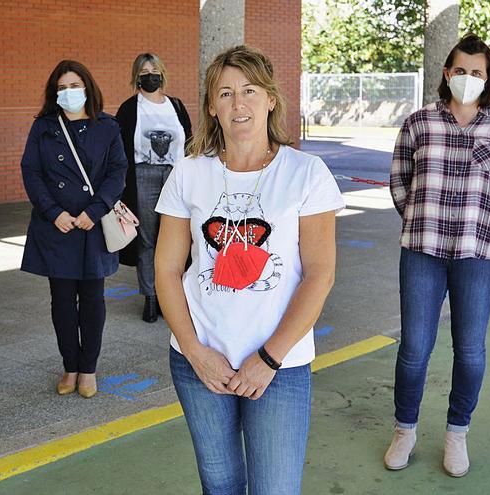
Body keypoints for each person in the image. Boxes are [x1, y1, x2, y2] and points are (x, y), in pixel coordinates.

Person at [154, 45, 344, 495]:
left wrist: (269, 358)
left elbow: (320, 274)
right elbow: (165, 271)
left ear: (271, 99)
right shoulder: (188, 173)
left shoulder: (306, 172)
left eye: (250, 90)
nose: (239, 104)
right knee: (219, 485)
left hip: (279, 365)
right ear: (212, 107)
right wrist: (195, 352)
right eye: (225, 93)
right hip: (200, 362)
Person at [385, 33, 490, 477]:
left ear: (489, 80)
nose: (468, 78)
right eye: (461, 70)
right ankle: (404, 430)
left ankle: (456, 433)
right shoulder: (418, 123)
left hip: (481, 257)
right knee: (414, 348)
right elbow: (399, 181)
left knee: (469, 351)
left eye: (477, 73)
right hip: (423, 252)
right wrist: (421, 218)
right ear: (447, 74)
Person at [20, 60, 128, 398]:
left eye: (74, 86)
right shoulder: (44, 127)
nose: (69, 93)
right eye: (62, 88)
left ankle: (89, 368)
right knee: (62, 302)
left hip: (92, 226)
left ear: (88, 87)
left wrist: (95, 211)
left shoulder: (107, 127)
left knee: (93, 300)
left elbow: (117, 171)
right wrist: (54, 212)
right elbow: (31, 172)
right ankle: (70, 365)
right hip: (58, 228)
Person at [115, 53, 192, 323]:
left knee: (175, 237)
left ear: (162, 73)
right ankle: (151, 296)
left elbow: (190, 143)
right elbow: (118, 148)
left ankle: (172, 294)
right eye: (144, 71)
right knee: (148, 238)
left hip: (175, 176)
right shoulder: (128, 109)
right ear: (137, 76)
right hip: (142, 176)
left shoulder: (177, 106)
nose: (150, 75)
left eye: (154, 70)